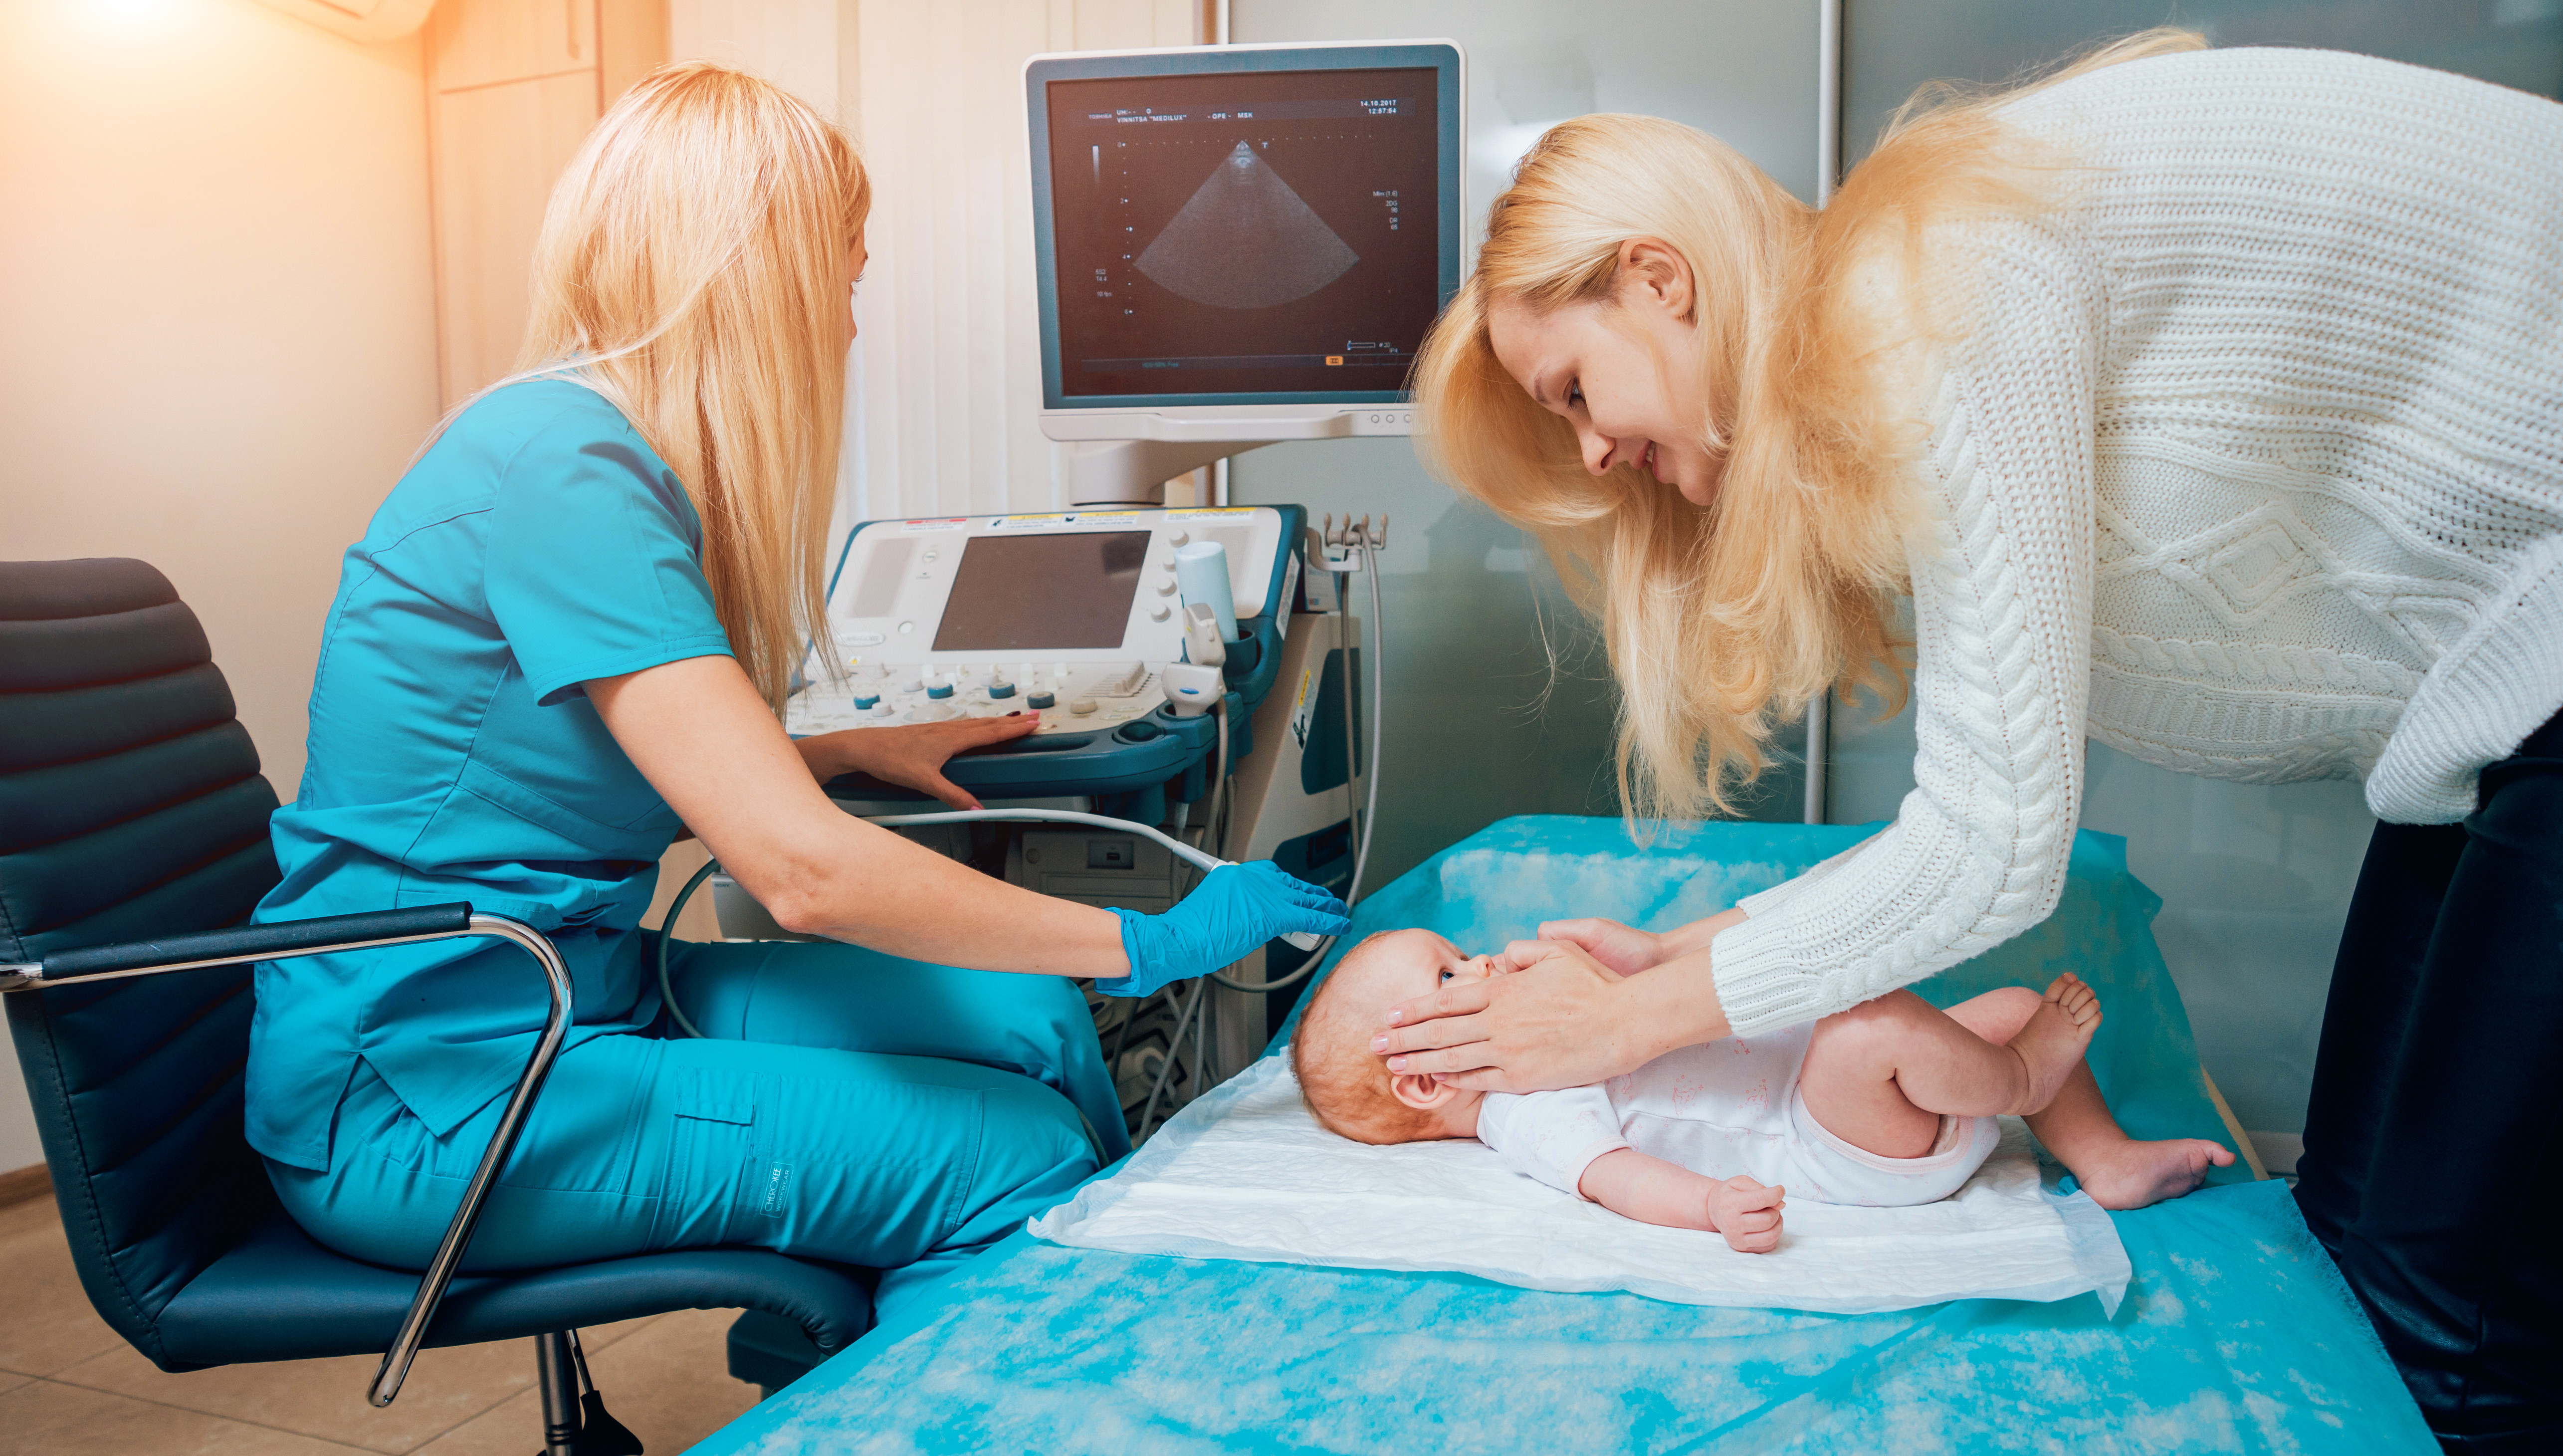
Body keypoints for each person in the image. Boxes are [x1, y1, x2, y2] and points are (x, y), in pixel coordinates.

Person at [1386, 30, 2561, 1449]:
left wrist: (1625, 1021)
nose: (1588, 453)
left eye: (1574, 391)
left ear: (1657, 279)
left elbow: (1994, 851)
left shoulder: (1931, 297)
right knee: (2358, 1229)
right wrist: (1692, 959)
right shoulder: (1902, 343)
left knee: (2447, 1311)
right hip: (2499, 702)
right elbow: (1979, 806)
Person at [245, 64, 1346, 1317]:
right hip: (435, 1088)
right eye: (848, 272)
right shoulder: (563, 464)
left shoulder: (592, 460)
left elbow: (607, 761)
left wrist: (835, 753)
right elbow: (802, 875)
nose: (849, 322)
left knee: (1030, 1021)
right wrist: (1146, 939)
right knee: (1007, 1152)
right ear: (757, 277)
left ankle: (1072, 1320)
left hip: (570, 1002)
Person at [1293, 929, 2227, 1251]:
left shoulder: (1547, 1030)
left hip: (1843, 1091)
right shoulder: (1523, 1110)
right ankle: (2020, 1080)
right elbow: (1617, 1177)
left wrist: (1616, 976)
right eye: (1451, 978)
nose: (1481, 962)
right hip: (1828, 1139)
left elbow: (1663, 1017)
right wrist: (1710, 1205)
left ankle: (2101, 1159)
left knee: (2016, 1006)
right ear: (1423, 1081)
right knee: (1873, 1025)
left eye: (1460, 953)